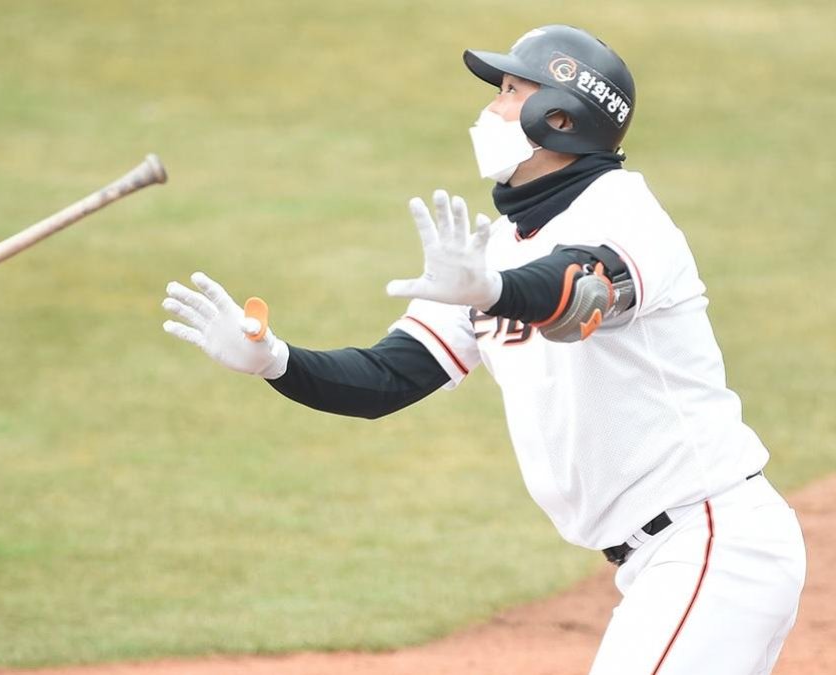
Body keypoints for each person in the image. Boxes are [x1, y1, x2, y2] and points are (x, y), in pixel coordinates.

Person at [161, 24, 806, 674]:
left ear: (557, 116)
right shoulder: (493, 250)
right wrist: (276, 359)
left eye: (507, 91)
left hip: (714, 543)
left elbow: (578, 287)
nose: (489, 110)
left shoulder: (627, 213)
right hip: (663, 562)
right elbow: (388, 376)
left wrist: (493, 289)